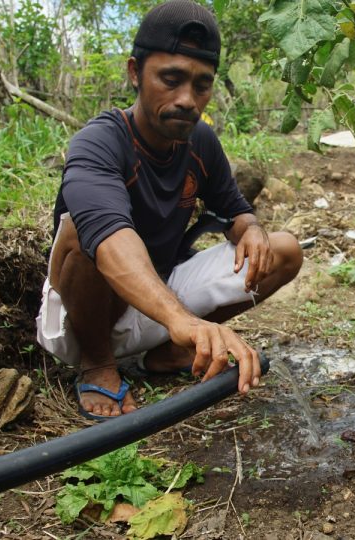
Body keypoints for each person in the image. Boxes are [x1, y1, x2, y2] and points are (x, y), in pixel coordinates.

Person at [35, 0, 302, 421]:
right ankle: (98, 366)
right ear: (134, 73)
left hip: (161, 295)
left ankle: (164, 354)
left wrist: (249, 228)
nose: (187, 99)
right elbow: (107, 238)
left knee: (283, 248)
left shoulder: (200, 142)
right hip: (85, 319)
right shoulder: (100, 142)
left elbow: (234, 209)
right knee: (80, 235)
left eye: (201, 85)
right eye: (171, 79)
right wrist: (186, 320)